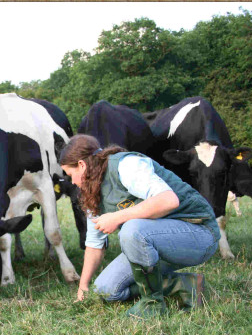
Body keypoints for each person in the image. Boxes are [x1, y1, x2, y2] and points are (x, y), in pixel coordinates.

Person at [59, 134, 221, 318]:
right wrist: (83, 286)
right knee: (105, 289)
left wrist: (117, 217)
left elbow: (169, 200)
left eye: (70, 174)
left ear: (81, 165)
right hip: (155, 243)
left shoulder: (125, 166)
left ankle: (152, 304)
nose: (71, 182)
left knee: (132, 229)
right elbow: (94, 244)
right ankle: (184, 285)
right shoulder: (92, 191)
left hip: (198, 233)